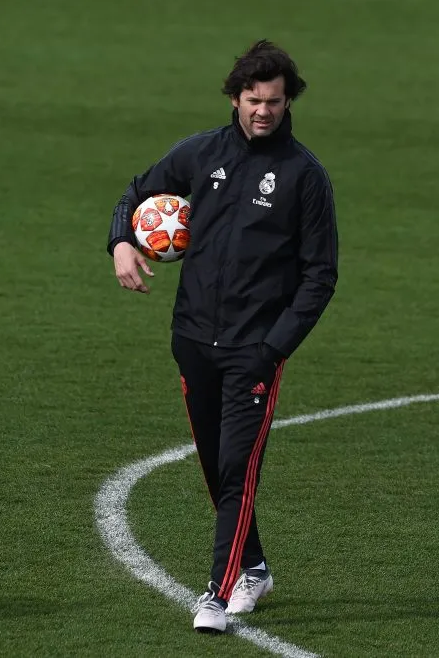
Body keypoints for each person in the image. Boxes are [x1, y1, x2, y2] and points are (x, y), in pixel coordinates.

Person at [106, 40, 338, 633]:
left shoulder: (305, 177)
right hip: (192, 340)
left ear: (290, 103)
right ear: (236, 97)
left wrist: (273, 347)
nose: (264, 111)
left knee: (237, 467)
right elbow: (135, 193)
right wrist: (121, 244)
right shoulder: (200, 153)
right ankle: (254, 567)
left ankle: (217, 590)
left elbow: (320, 276)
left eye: (276, 102)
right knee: (214, 464)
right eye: (255, 100)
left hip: (253, 349)